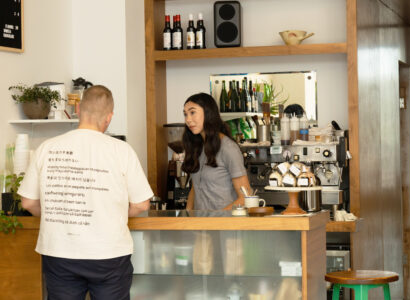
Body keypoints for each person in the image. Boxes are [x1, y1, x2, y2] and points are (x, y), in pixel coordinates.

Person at [19, 85, 153, 300]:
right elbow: (142, 204)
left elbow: (27, 202)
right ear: (109, 117)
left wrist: (60, 214)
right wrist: (112, 213)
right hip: (108, 253)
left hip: (59, 251)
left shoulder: (47, 147)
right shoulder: (121, 150)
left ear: (79, 109)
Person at [182, 92, 251, 210]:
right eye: (185, 114)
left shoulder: (228, 148)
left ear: (208, 113)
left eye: (192, 112)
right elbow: (196, 187)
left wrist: (216, 219)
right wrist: (187, 216)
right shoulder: (198, 147)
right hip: (202, 226)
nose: (188, 119)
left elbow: (245, 197)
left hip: (225, 225)